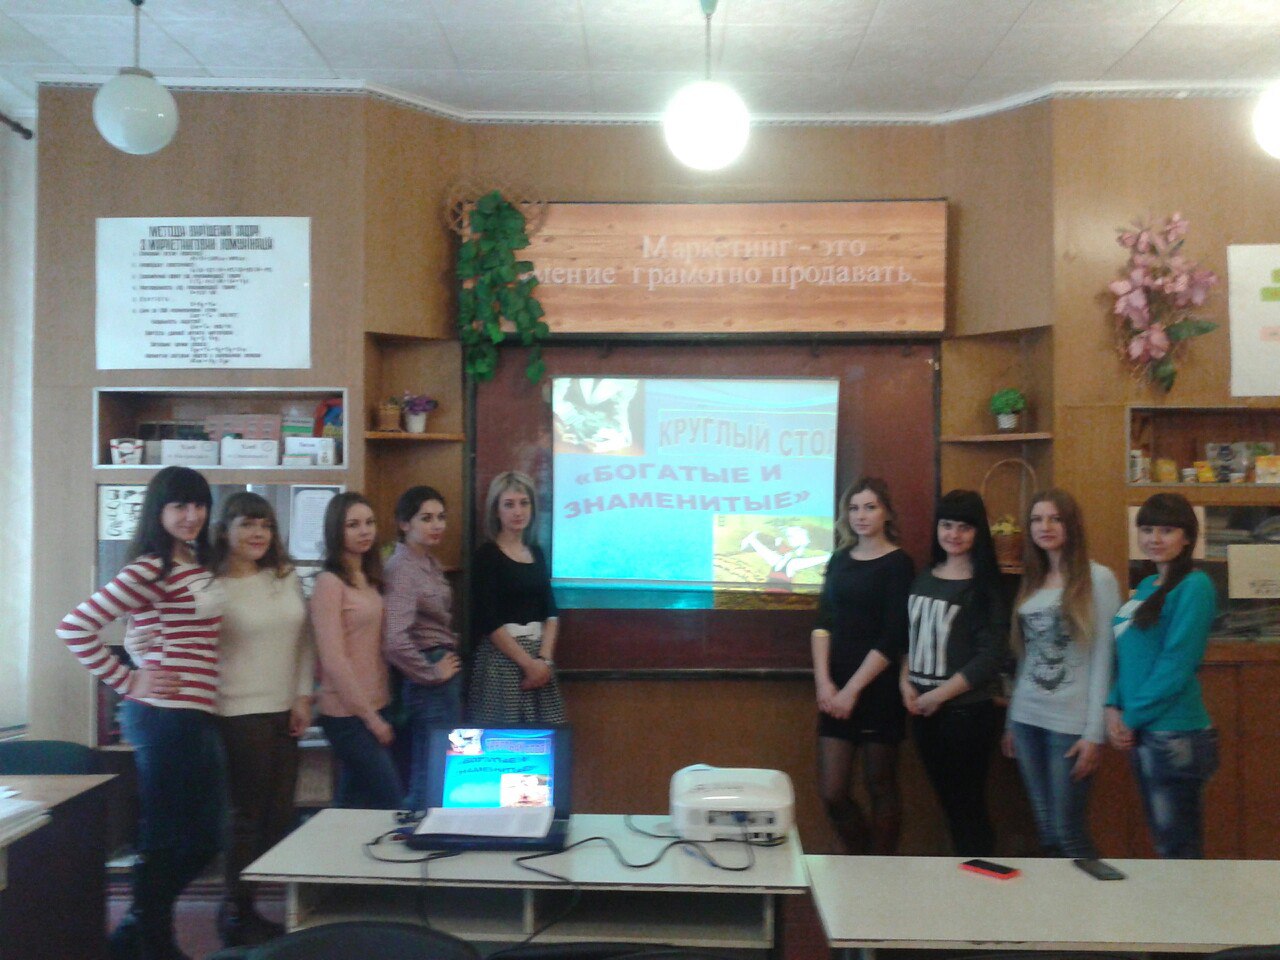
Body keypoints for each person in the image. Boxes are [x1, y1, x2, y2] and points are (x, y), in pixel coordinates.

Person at [57, 466, 226, 960]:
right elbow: (75, 627)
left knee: (202, 836)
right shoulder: (152, 567)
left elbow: (171, 627)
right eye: (180, 505)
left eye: (199, 504)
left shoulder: (192, 561)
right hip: (164, 714)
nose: (192, 515)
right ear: (158, 510)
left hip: (192, 714)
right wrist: (128, 679)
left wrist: (138, 644)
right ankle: (154, 940)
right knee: (173, 835)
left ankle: (136, 931)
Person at [206, 492, 313, 944]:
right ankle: (236, 911)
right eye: (247, 524)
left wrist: (302, 696)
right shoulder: (210, 585)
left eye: (265, 525)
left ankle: (246, 903)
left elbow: (304, 641)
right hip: (236, 712)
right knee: (246, 816)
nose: (258, 534)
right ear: (224, 531)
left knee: (279, 815)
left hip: (284, 709)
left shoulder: (284, 577)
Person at [1002, 489, 1120, 858]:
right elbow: (1025, 658)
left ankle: (1097, 895)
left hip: (1069, 725)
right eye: (1037, 520)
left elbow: (1105, 658)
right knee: (1047, 833)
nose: (1045, 526)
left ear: (1071, 525)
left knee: (1069, 834)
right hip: (1027, 720)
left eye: (1055, 518)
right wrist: (1011, 721)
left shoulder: (1098, 579)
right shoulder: (1033, 579)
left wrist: (1094, 733)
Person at [1107, 493, 1219, 858]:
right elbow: (1129, 656)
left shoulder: (1196, 586)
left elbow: (1176, 664)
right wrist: (1113, 705)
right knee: (1164, 846)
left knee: (1178, 853)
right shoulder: (1146, 586)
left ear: (1187, 537)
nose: (1154, 538)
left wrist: (1130, 718)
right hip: (1144, 729)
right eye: (1147, 529)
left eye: (1167, 530)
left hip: (1176, 734)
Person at [902, 488, 1009, 857]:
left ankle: (981, 881)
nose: (954, 534)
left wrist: (938, 695)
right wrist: (905, 681)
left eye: (964, 527)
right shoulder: (925, 576)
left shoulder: (985, 585)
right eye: (947, 525)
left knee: (968, 807)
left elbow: (990, 656)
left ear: (978, 532)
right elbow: (911, 636)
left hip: (966, 714)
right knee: (949, 805)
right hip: (923, 712)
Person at [811, 477, 913, 853]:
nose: (861, 515)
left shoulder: (898, 564)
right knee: (833, 792)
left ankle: (879, 870)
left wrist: (853, 690)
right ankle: (862, 861)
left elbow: (892, 636)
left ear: (886, 513)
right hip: (835, 687)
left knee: (880, 785)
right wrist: (825, 684)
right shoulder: (839, 560)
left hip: (877, 689)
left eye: (870, 507)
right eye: (854, 508)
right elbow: (822, 623)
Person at [312, 492, 401, 808]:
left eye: (369, 523)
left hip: (378, 703)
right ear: (336, 530)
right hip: (347, 713)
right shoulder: (329, 583)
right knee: (391, 801)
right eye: (353, 525)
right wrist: (371, 720)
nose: (364, 531)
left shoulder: (370, 578)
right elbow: (333, 660)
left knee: (352, 806)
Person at [383, 485, 463, 812]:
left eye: (441, 517)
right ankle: (415, 835)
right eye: (426, 518)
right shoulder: (403, 568)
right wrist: (430, 673)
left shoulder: (427, 561)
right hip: (428, 680)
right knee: (430, 773)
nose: (437, 525)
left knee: (440, 769)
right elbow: (394, 640)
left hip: (441, 673)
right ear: (405, 524)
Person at [469, 470, 566, 724]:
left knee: (545, 737)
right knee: (502, 735)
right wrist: (527, 664)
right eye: (509, 504)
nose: (518, 511)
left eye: (524, 503)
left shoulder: (536, 552)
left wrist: (543, 661)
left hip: (539, 658)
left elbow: (550, 611)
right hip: (502, 660)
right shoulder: (486, 556)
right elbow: (489, 620)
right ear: (496, 510)